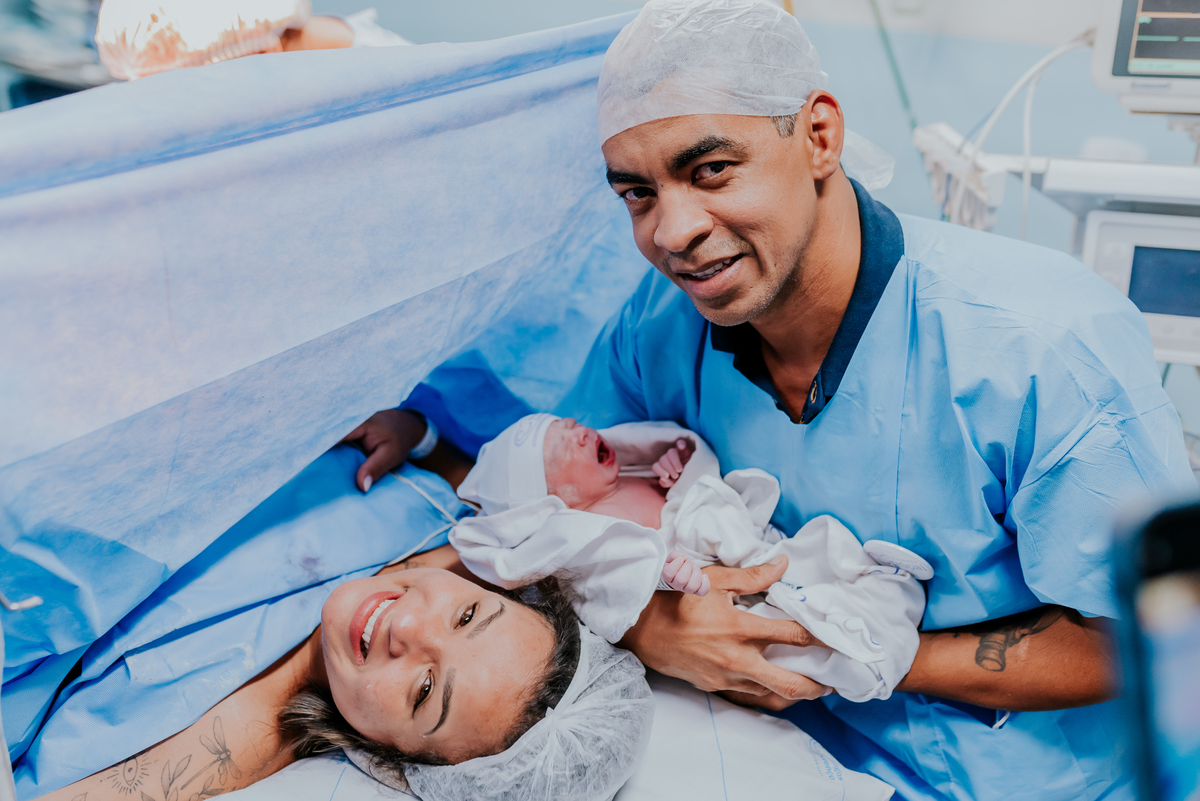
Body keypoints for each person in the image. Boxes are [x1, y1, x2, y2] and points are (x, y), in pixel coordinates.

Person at [342, 0, 1197, 798]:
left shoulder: (1041, 350)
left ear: (819, 135)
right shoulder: (661, 330)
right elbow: (564, 506)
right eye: (638, 193)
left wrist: (847, 652)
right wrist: (654, 629)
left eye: (710, 170)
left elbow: (1148, 643)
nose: (671, 232)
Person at [29, 448, 653, 801]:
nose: (408, 622)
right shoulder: (426, 496)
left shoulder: (226, 733)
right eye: (467, 614)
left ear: (397, 760)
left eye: (426, 691)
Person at [449, 413, 928, 702]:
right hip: (716, 587)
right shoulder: (586, 539)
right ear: (557, 498)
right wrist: (664, 577)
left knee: (822, 550)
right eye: (561, 445)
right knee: (790, 629)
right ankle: (865, 659)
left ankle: (881, 582)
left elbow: (690, 483)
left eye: (571, 425)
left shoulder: (629, 475)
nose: (580, 431)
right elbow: (613, 587)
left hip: (746, 543)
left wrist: (677, 471)